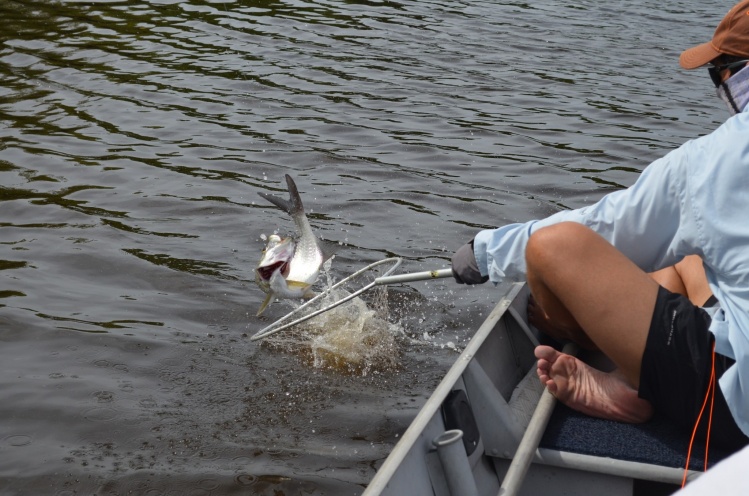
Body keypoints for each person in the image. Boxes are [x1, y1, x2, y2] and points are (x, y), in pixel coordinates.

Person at [452, 0, 749, 453]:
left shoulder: (714, 160)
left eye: (719, 73)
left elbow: (604, 230)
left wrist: (486, 252)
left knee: (555, 247)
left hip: (736, 408)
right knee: (689, 258)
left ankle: (593, 346)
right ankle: (628, 382)